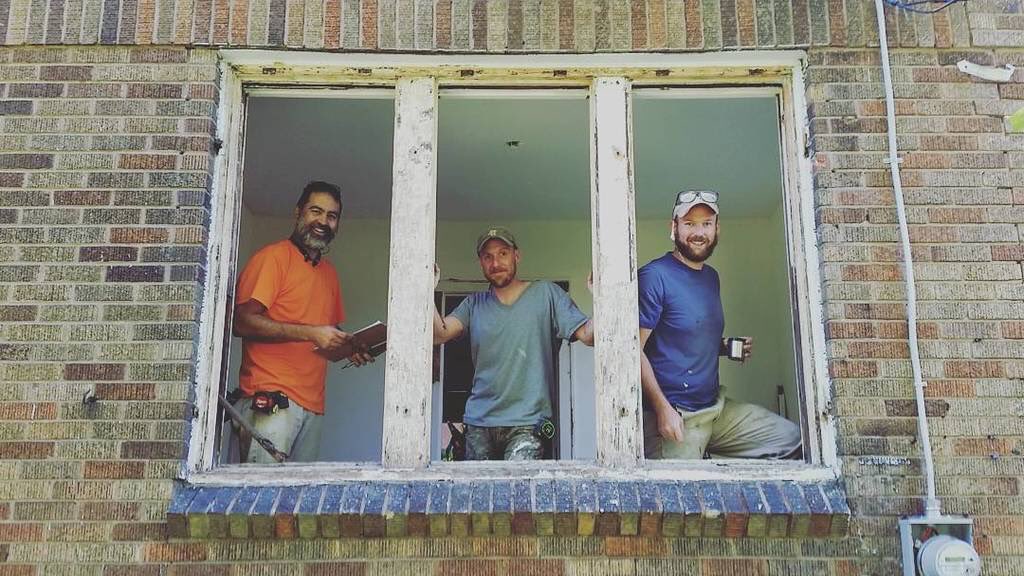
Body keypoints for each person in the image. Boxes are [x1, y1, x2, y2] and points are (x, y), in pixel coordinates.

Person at [639, 190, 801, 460]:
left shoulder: (710, 277)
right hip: (675, 417)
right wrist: (662, 409)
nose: (699, 232)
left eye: (706, 223)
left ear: (717, 229)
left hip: (715, 409)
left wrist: (725, 347)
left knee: (792, 441)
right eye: (689, 224)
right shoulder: (654, 276)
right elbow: (633, 350)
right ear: (674, 227)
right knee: (678, 497)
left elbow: (684, 334)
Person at [231, 180, 369, 463]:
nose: (323, 221)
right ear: (298, 212)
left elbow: (324, 332)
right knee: (262, 500)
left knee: (293, 504)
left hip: (313, 406)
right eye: (315, 211)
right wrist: (310, 333)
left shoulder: (329, 273)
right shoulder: (273, 258)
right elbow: (241, 322)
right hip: (272, 400)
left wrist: (350, 346)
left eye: (332, 216)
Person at [432, 227, 594, 460]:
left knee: (518, 495)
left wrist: (603, 295)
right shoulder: (473, 305)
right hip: (479, 423)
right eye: (487, 256)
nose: (495, 262)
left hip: (528, 424)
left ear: (516, 256)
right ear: (481, 262)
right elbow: (440, 334)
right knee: (477, 496)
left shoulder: (546, 294)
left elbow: (589, 336)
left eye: (503, 253)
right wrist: (425, 290)